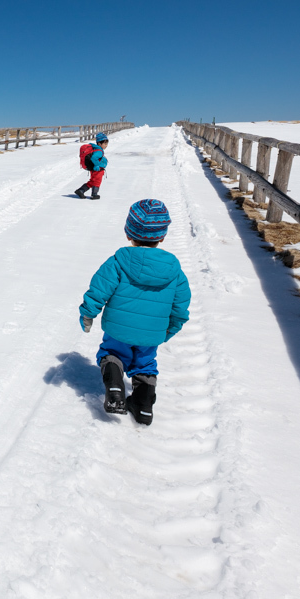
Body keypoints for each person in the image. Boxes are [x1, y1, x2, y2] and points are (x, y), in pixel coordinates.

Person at [78, 199, 190, 426]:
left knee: (112, 353)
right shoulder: (174, 270)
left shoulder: (118, 261)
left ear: (129, 232)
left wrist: (88, 313)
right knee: (145, 363)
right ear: (162, 236)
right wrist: (170, 329)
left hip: (118, 328)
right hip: (152, 332)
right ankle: (143, 407)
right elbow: (180, 306)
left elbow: (99, 288)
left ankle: (115, 387)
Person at [74, 133, 109, 199]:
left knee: (92, 181)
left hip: (94, 169)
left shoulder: (96, 149)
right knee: (97, 181)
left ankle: (81, 190)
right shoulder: (99, 151)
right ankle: (94, 194)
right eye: (105, 143)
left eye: (107, 143)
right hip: (97, 169)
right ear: (99, 143)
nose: (106, 145)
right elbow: (94, 158)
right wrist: (97, 165)